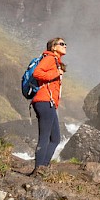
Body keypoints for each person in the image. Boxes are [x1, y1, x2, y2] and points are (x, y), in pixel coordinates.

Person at [30, 37, 67, 175]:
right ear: (53, 47)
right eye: (62, 44)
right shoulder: (50, 58)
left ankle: (42, 168)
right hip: (44, 101)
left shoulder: (56, 62)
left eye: (65, 44)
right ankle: (38, 169)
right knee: (45, 137)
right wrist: (56, 73)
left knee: (55, 139)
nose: (65, 46)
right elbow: (37, 73)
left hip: (49, 103)